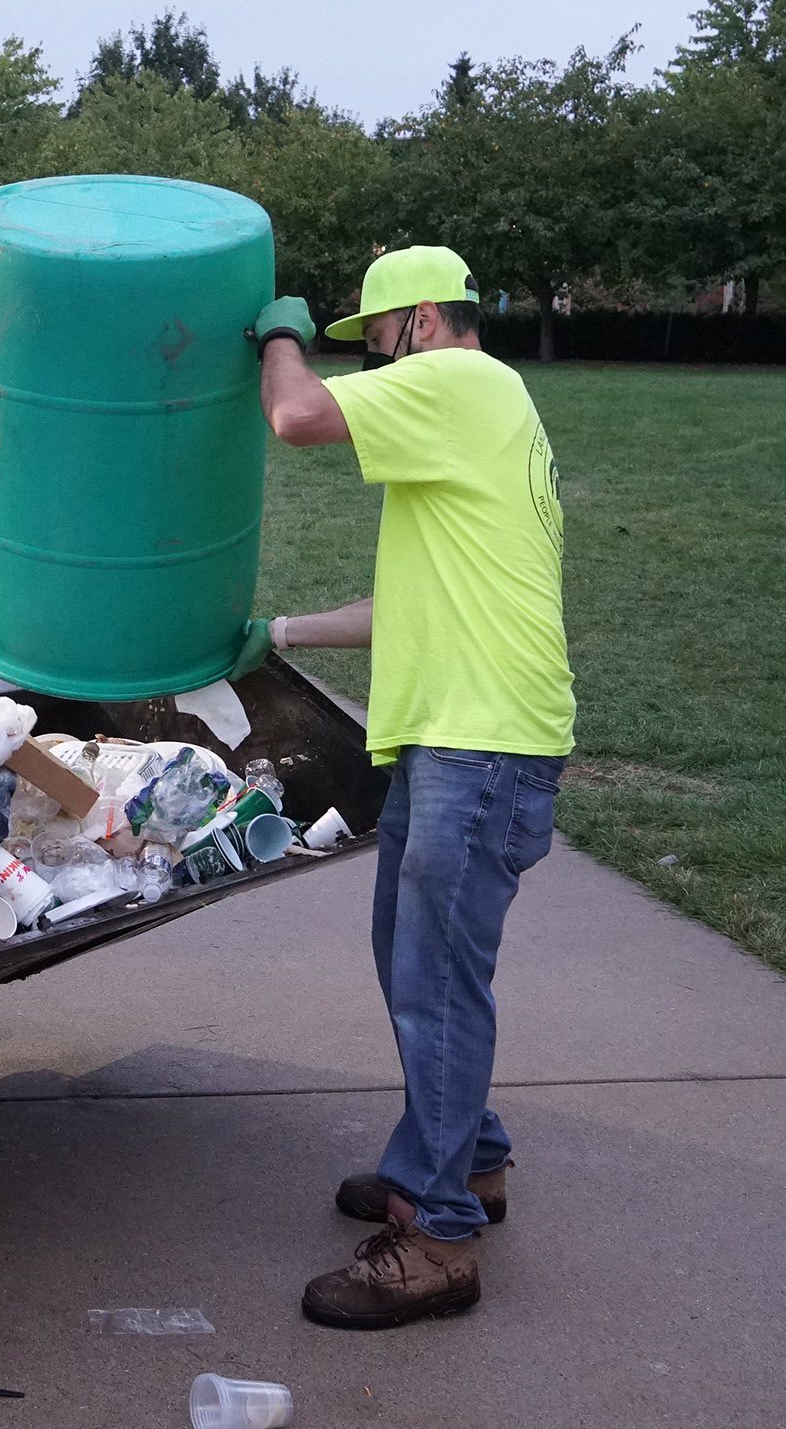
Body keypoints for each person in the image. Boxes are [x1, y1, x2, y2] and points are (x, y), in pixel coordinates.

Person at [241, 245, 576, 1331]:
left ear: (424, 321)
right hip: (459, 741)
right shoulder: (465, 428)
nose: (372, 366)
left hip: (482, 746)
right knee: (412, 956)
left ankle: (435, 1241)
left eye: (375, 341)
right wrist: (277, 634)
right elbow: (401, 608)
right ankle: (469, 1162)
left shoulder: (466, 381)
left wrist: (277, 337)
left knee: (436, 978)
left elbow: (292, 418)